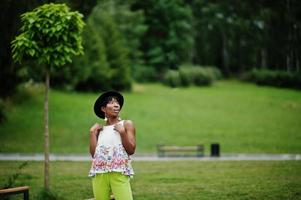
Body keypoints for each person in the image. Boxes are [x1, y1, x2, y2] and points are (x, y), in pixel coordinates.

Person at [89, 91, 136, 200]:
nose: (116, 105)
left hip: (119, 172)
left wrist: (122, 133)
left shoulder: (126, 124)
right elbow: (94, 155)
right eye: (111, 102)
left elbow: (131, 150)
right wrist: (92, 133)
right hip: (99, 173)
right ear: (103, 109)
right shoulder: (99, 130)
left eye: (117, 103)